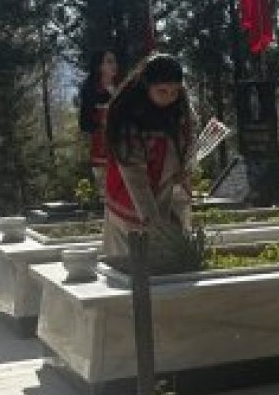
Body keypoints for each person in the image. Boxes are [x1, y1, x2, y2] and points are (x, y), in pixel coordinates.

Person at [102, 53, 195, 272]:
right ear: (146, 86)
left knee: (166, 269)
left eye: (174, 92)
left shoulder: (180, 109)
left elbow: (188, 143)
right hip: (128, 203)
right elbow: (135, 178)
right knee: (126, 271)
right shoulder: (128, 119)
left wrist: (184, 169)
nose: (169, 97)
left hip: (164, 195)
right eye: (162, 91)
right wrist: (152, 222)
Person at [77, 50, 120, 189]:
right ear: (99, 66)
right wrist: (103, 122)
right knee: (107, 197)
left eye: (114, 61)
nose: (114, 65)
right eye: (109, 61)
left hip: (125, 154)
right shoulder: (90, 91)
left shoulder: (123, 89)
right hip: (101, 155)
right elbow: (84, 123)